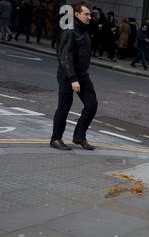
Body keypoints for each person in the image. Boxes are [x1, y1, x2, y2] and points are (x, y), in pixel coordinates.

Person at [51, 2, 98, 151]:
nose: (89, 17)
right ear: (77, 14)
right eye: (86, 14)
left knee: (92, 105)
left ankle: (79, 136)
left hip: (82, 74)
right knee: (64, 105)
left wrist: (79, 76)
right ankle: (56, 138)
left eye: (89, 14)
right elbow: (65, 56)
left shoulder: (83, 30)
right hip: (67, 74)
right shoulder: (69, 30)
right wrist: (72, 79)